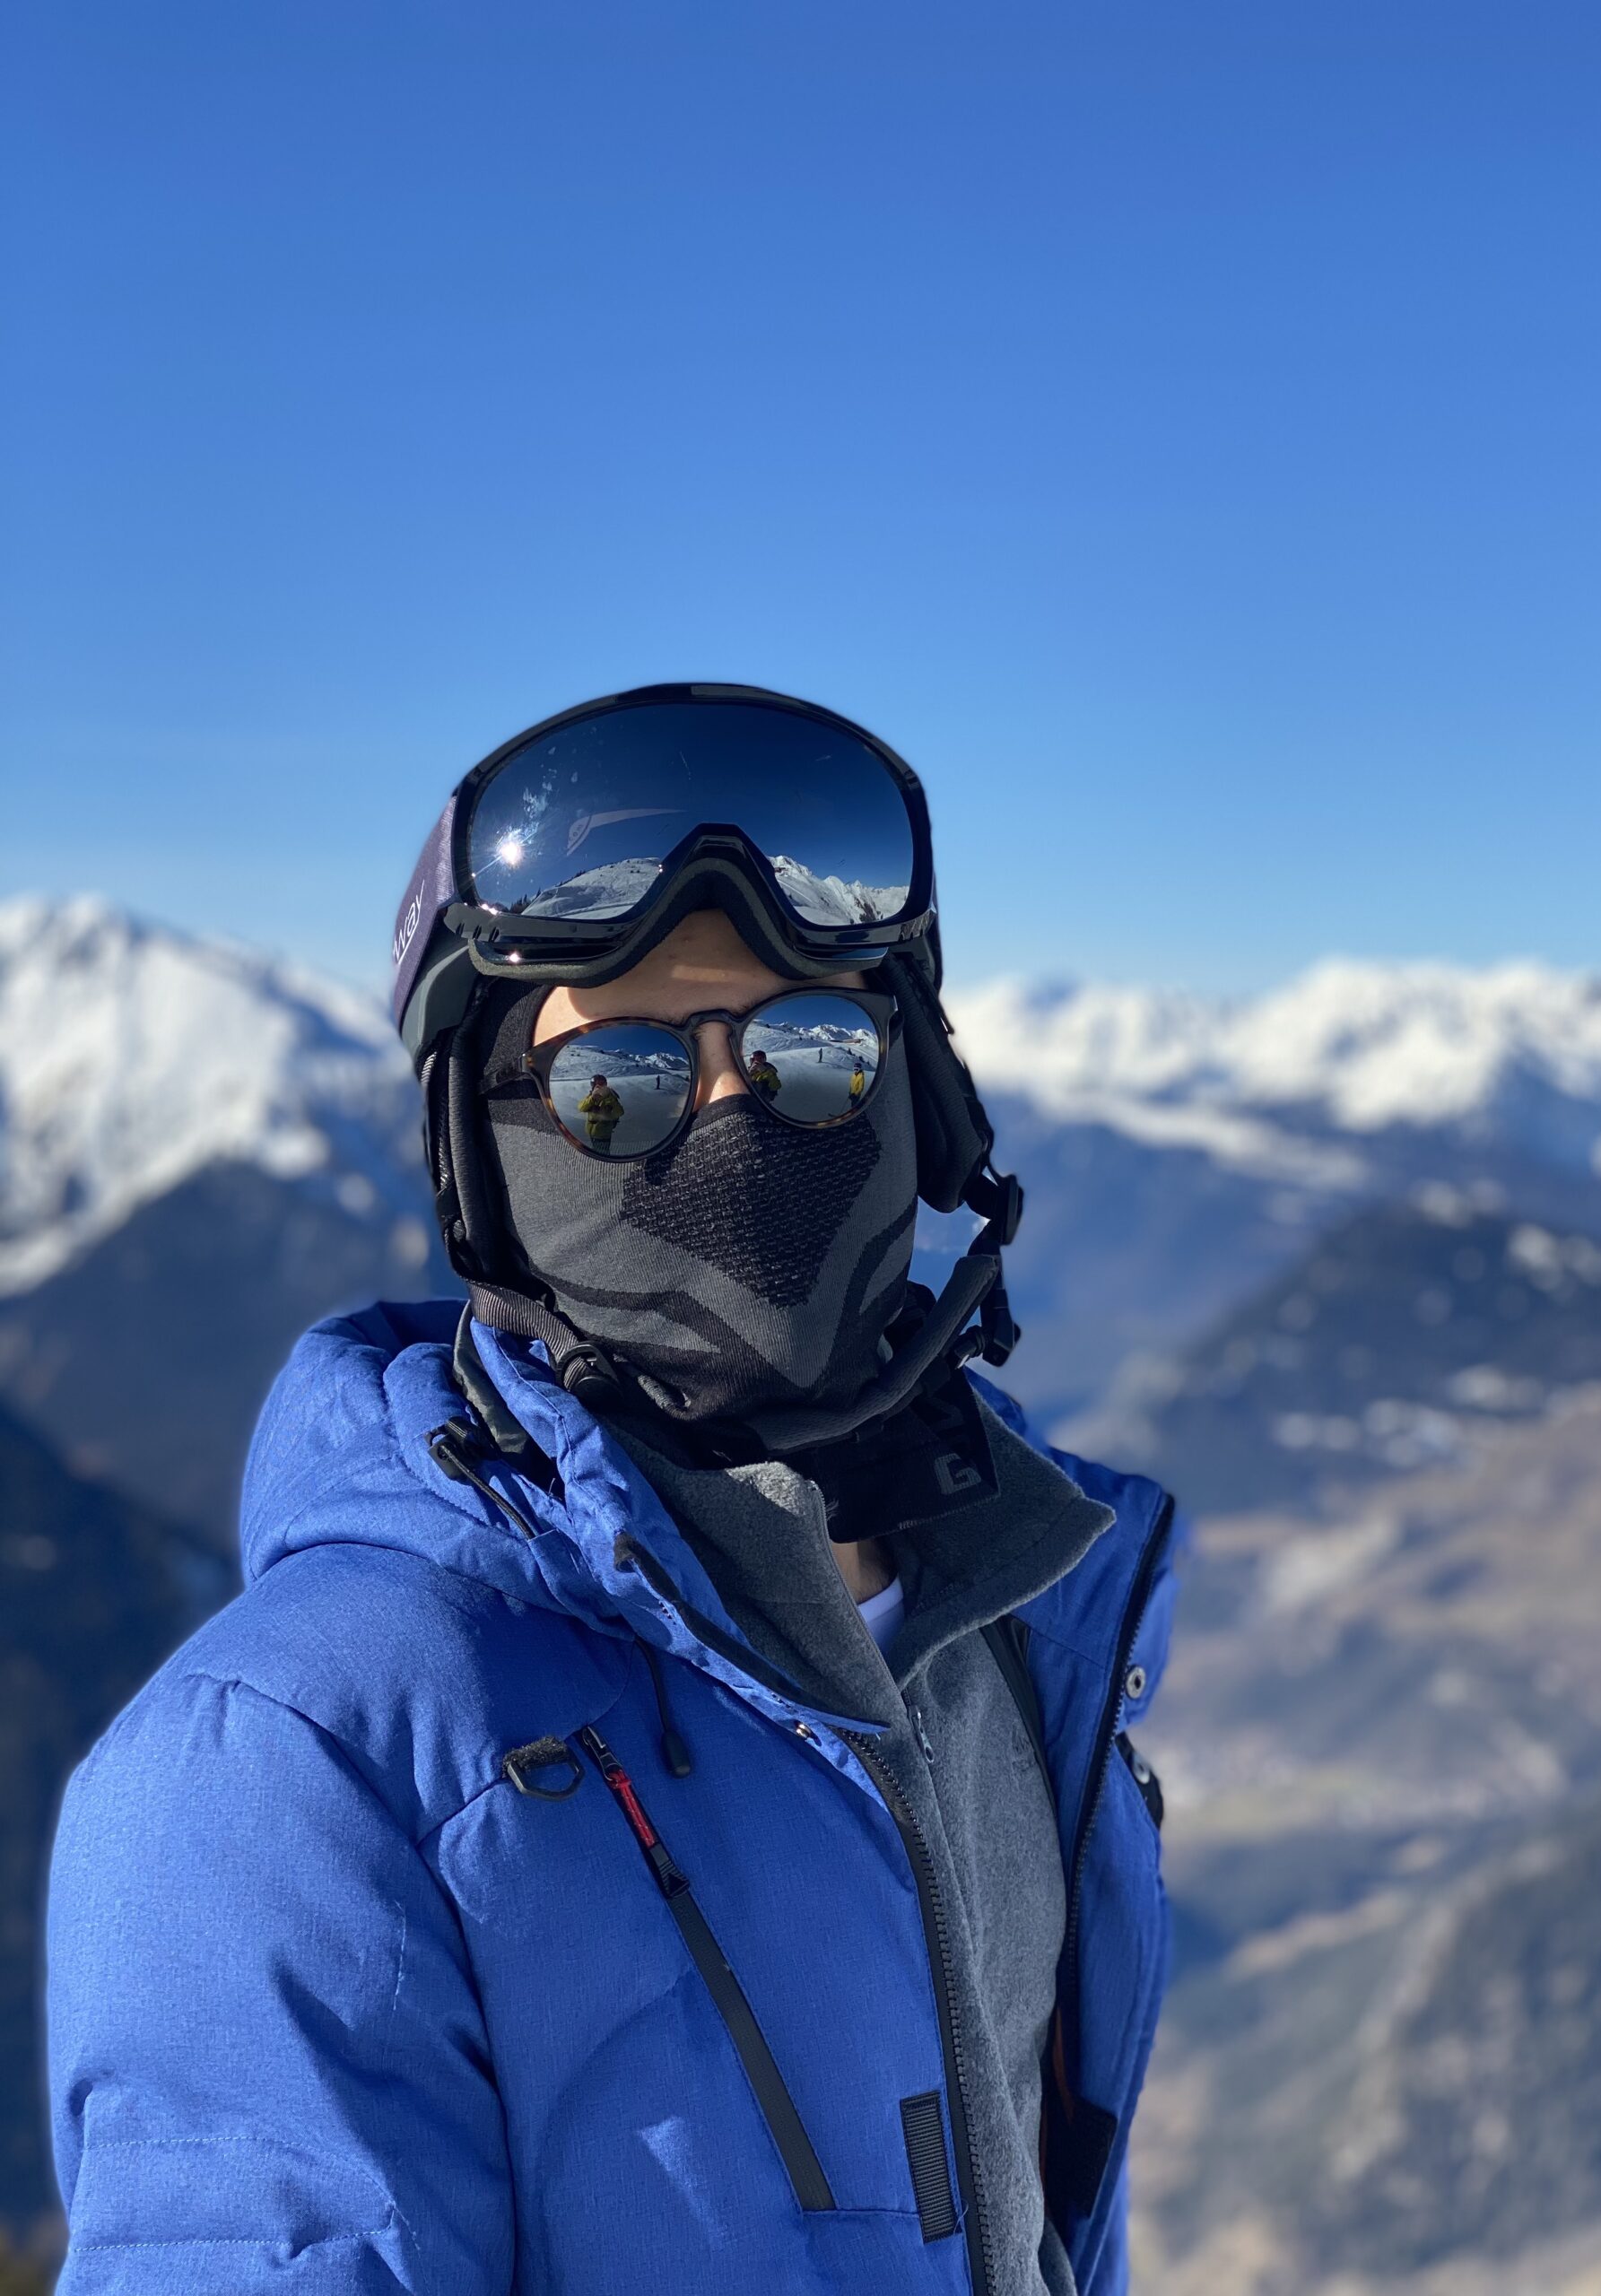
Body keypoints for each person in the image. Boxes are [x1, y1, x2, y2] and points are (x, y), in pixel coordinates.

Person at [46, 683, 1176, 2296]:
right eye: (619, 1082)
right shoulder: (293, 1767)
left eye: (810, 1048)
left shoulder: (1009, 1628)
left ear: (919, 1099)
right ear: (482, 1154)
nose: (733, 1116)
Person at [578, 1071, 624, 1149]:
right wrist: (592, 1098)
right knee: (595, 1150)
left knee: (603, 1152)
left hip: (603, 1134)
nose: (599, 1087)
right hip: (592, 1132)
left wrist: (610, 1100)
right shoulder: (591, 1096)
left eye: (602, 1084)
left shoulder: (610, 1097)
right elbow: (581, 1108)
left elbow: (620, 1112)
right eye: (596, 1084)